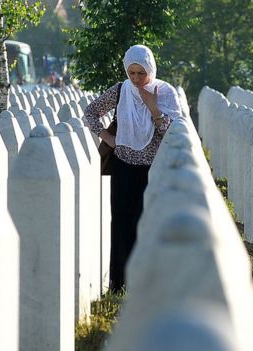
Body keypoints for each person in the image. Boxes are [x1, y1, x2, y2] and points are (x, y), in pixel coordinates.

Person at [85, 44, 184, 292]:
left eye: (142, 73)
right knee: (121, 223)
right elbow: (90, 113)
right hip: (123, 165)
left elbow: (173, 132)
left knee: (148, 223)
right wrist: (108, 138)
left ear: (151, 69)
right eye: (132, 73)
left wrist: (153, 108)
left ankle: (148, 284)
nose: (137, 79)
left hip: (154, 169)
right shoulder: (121, 90)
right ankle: (119, 284)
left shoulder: (164, 92)